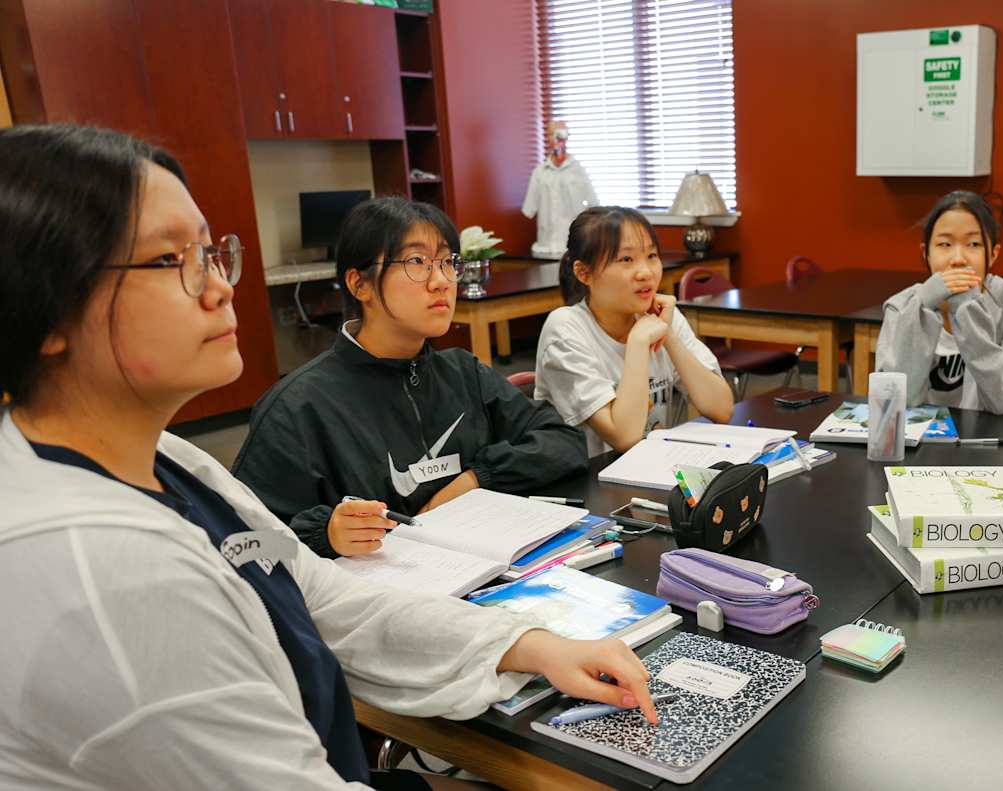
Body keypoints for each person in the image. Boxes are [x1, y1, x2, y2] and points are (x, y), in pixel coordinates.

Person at [0, 124, 654, 790]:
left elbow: (323, 596)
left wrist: (529, 644)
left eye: (212, 252)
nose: (221, 287)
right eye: (174, 260)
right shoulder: (107, 582)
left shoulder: (168, 459)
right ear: (47, 308)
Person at [232, 197, 587, 559]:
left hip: (484, 572)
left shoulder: (463, 373)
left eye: (447, 262)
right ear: (360, 285)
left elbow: (565, 442)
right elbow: (240, 543)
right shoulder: (296, 407)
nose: (442, 281)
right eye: (417, 262)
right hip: (375, 598)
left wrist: (476, 479)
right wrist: (325, 535)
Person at [535, 206, 733, 456]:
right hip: (587, 483)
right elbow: (624, 437)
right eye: (626, 260)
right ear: (584, 273)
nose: (646, 272)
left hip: (650, 469)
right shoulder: (565, 330)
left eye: (652, 256)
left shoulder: (661, 315)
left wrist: (668, 334)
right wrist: (638, 341)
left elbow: (721, 408)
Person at [874, 190, 1003, 414]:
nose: (958, 259)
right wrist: (922, 307)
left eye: (973, 244)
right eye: (944, 245)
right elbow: (894, 402)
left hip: (986, 440)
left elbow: (1001, 400)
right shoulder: (901, 306)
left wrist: (967, 308)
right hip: (920, 440)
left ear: (993, 254)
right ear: (926, 254)